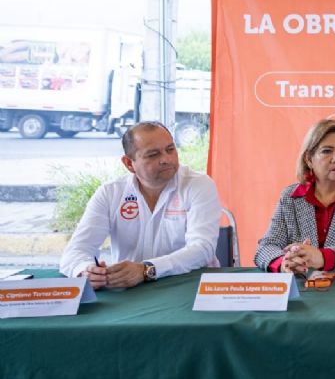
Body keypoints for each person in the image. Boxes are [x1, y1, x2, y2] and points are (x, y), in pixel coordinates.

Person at [59, 121, 222, 288]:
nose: (166, 159)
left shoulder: (199, 184)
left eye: (170, 149)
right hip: (130, 292)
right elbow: (75, 251)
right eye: (153, 155)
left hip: (189, 286)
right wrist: (86, 271)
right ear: (129, 164)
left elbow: (202, 249)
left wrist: (147, 270)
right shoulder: (110, 192)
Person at [254, 119, 335, 273]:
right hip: (304, 285)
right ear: (309, 159)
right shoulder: (290, 197)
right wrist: (285, 263)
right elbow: (266, 247)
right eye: (327, 151)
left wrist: (320, 257)